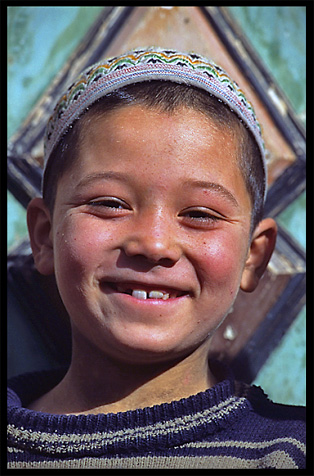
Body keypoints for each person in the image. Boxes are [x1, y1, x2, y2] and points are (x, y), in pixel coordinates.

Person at [7, 47, 305, 469]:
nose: (154, 243)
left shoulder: (288, 453)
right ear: (44, 237)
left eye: (200, 214)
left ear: (255, 257)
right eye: (110, 204)